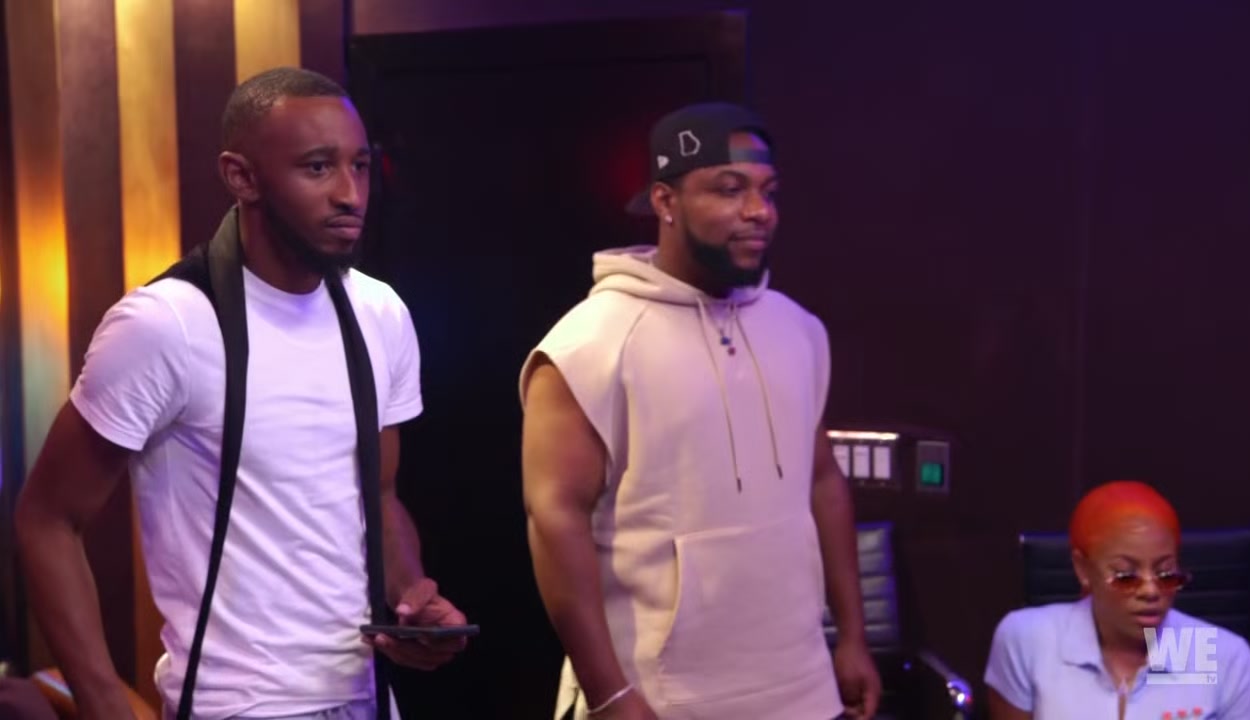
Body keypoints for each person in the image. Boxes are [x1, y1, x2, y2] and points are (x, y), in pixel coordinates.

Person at [15, 67, 466, 720]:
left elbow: (380, 494)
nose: (350, 194)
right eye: (318, 167)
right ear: (242, 177)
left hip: (367, 699)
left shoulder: (380, 313)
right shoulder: (167, 325)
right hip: (237, 705)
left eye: (360, 166)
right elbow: (47, 519)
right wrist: (103, 698)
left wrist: (410, 601)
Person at [519, 102, 881, 720]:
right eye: (730, 189)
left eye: (768, 191)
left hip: (802, 688)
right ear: (665, 200)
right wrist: (608, 693)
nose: (759, 211)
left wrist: (852, 637)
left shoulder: (797, 329)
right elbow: (555, 518)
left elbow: (823, 482)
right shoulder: (590, 344)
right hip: (658, 697)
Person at [984, 480, 1250, 720]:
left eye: (1166, 574)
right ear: (1083, 569)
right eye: (1126, 576)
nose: (1150, 591)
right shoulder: (1030, 640)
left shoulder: (1220, 656)